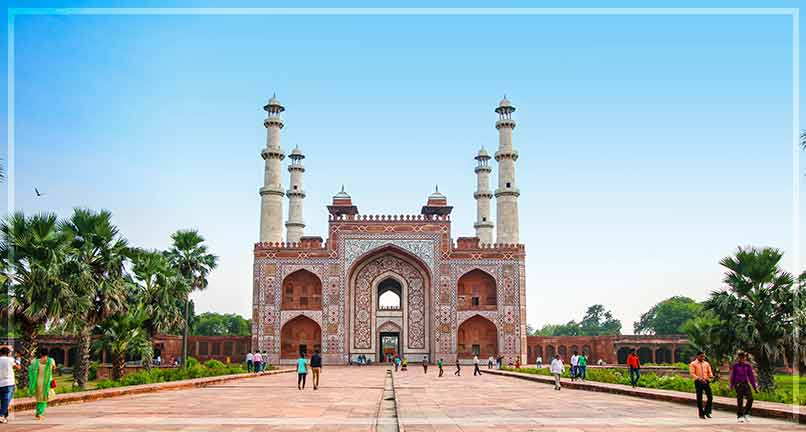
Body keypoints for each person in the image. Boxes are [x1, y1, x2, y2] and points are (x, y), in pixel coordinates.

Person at [28, 348, 55, 420]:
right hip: (47, 382)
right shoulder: (51, 360)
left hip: (37, 382)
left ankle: (38, 413)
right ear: (48, 353)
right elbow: (54, 368)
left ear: (40, 354)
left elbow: (31, 368)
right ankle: (40, 414)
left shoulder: (35, 362)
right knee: (44, 398)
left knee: (39, 398)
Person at [730, 352, 756, 423]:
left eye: (743, 357)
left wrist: (754, 387)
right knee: (740, 400)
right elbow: (732, 376)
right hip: (738, 385)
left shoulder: (747, 365)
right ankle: (740, 416)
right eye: (740, 358)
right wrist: (731, 386)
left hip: (746, 384)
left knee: (750, 398)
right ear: (738, 358)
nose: (742, 359)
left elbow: (751, 376)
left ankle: (746, 413)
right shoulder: (735, 366)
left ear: (745, 358)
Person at [689, 351, 714, 419]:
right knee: (699, 398)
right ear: (697, 356)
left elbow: (710, 372)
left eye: (704, 356)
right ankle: (701, 413)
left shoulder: (706, 363)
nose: (703, 358)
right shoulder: (693, 364)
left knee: (710, 397)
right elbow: (692, 373)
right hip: (698, 382)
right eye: (701, 356)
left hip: (706, 381)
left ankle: (707, 411)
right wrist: (699, 379)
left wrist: (711, 376)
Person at [0, 347, 20, 424]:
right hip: (8, 383)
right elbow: (18, 367)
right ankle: (1, 415)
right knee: (6, 400)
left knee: (3, 400)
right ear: (8, 353)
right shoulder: (10, 360)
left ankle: (4, 416)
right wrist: (18, 360)